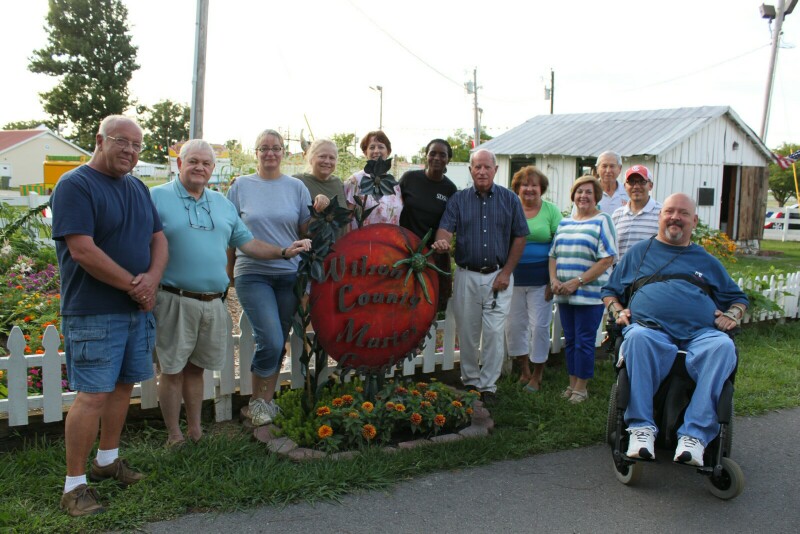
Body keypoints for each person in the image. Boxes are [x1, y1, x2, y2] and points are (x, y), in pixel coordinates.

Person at [151, 140, 310, 447]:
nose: (200, 167)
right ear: (179, 164)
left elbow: (247, 243)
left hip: (211, 301)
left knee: (197, 370)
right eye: (193, 161)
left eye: (206, 163)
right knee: (171, 370)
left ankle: (195, 432)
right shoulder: (155, 197)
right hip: (173, 297)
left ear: (213, 169)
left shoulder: (221, 203)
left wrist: (283, 250)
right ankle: (174, 436)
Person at [51, 115, 168, 516]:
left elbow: (158, 239)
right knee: (93, 396)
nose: (131, 152)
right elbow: (82, 249)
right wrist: (135, 286)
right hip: (94, 311)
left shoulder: (137, 188)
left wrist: (151, 279)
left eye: (137, 146)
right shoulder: (75, 185)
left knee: (122, 388)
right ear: (99, 140)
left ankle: (106, 462)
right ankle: (74, 486)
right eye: (122, 142)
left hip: (135, 310)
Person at [602, 193, 747, 466]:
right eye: (669, 211)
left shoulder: (706, 261)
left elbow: (738, 298)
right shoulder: (639, 254)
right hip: (650, 330)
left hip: (700, 335)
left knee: (724, 346)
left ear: (693, 220)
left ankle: (695, 436)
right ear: (660, 216)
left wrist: (732, 314)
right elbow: (610, 291)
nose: (675, 217)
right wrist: (617, 311)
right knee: (638, 339)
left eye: (682, 213)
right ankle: (641, 429)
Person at [227, 129, 315, 427]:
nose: (270, 153)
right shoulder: (240, 187)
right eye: (264, 148)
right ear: (256, 152)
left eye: (276, 148)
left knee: (278, 341)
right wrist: (229, 275)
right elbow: (231, 236)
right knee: (272, 339)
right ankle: (257, 402)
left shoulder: (296, 187)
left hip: (289, 275)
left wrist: (323, 215)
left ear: (283, 152)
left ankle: (265, 403)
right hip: (252, 273)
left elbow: (306, 230)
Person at [432, 149, 528, 402]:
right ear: (471, 170)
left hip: (499, 275)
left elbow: (520, 236)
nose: (482, 171)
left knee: (495, 333)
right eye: (477, 167)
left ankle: (488, 387)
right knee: (468, 332)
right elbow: (444, 230)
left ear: (495, 170)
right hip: (466, 275)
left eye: (487, 167)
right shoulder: (458, 200)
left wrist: (507, 272)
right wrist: (442, 242)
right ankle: (471, 383)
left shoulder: (509, 200)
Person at [549, 175, 616, 403]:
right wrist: (554, 281)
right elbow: (553, 255)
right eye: (579, 192)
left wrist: (577, 281)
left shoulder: (602, 220)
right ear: (573, 196)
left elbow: (607, 259)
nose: (583, 196)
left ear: (596, 196)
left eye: (588, 192)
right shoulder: (565, 222)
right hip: (564, 294)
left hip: (589, 294)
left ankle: (581, 388)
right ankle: (571, 383)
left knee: (585, 341)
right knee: (570, 339)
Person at [504, 166, 562, 393]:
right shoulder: (509, 208)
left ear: (541, 189)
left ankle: (538, 375)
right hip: (513, 279)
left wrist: (552, 279)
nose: (529, 189)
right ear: (517, 188)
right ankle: (524, 371)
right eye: (524, 185)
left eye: (534, 185)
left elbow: (559, 246)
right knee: (515, 326)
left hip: (541, 280)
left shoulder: (551, 211)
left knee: (539, 327)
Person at [399, 138, 458, 311]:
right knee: (401, 297)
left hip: (431, 255)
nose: (437, 158)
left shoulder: (450, 189)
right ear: (426, 156)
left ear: (448, 159)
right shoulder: (410, 178)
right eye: (433, 153)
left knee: (427, 303)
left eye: (442, 155)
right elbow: (393, 207)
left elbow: (449, 224)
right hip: (404, 250)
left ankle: (425, 337)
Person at [344, 130, 403, 229]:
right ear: (365, 152)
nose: (376, 151)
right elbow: (345, 219)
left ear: (388, 152)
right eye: (372, 147)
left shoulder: (394, 185)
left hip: (388, 242)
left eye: (381, 147)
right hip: (361, 242)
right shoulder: (355, 181)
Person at [295, 138, 350, 239]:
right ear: (311, 158)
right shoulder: (297, 182)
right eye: (322, 156)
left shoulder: (338, 183)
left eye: (332, 158)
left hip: (338, 250)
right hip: (309, 251)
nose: (327, 161)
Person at [612, 165, 661, 259]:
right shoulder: (617, 215)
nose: (636, 186)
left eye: (642, 182)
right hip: (622, 272)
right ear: (625, 186)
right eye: (631, 182)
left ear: (650, 185)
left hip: (651, 273)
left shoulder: (662, 213)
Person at [596, 151, 629, 215]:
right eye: (604, 166)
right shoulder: (588, 192)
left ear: (620, 169)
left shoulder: (628, 192)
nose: (608, 171)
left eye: (612, 166)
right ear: (597, 169)